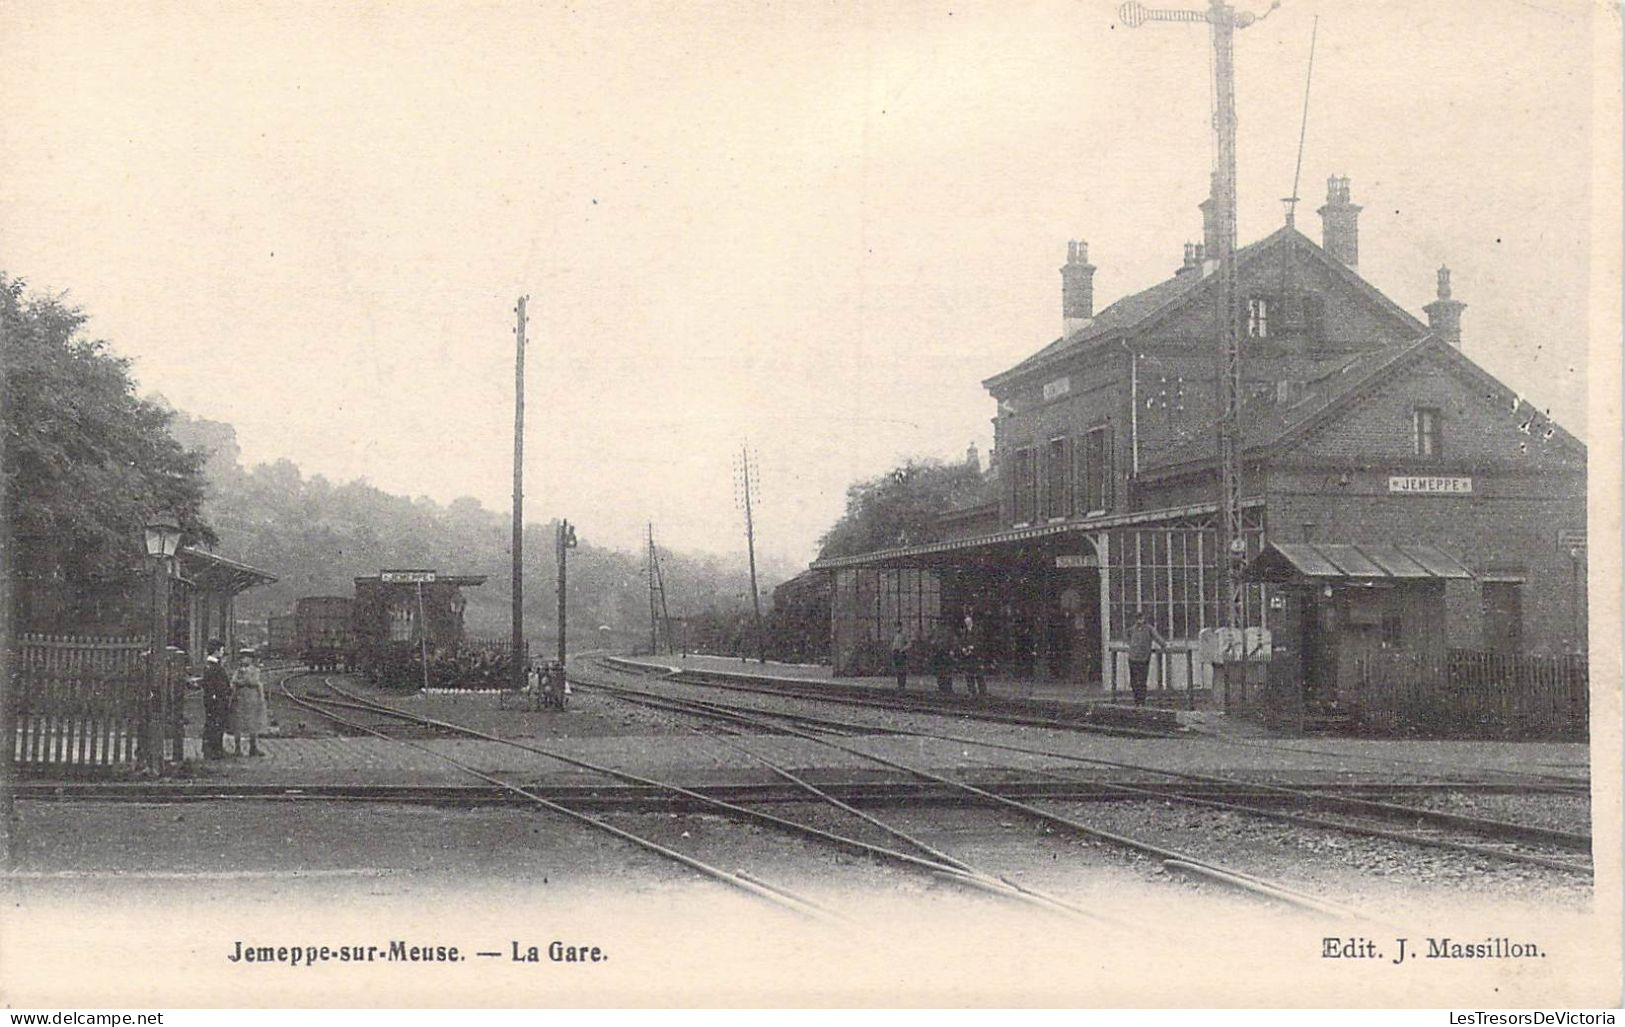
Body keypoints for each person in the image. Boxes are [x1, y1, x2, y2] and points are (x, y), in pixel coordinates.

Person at [226, 648, 269, 757]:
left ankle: (253, 747)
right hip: (239, 699)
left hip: (252, 699)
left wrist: (243, 680)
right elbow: (234, 681)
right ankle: (237, 748)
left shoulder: (255, 670)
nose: (243, 660)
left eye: (246, 658)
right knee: (237, 723)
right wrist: (240, 681)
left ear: (250, 659)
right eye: (242, 658)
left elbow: (253, 681)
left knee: (252, 722)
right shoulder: (238, 670)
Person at [1126, 610, 1168, 707]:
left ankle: (1142, 701)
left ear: (1144, 619)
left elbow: (1158, 638)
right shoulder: (1133, 629)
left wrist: (1164, 645)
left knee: (1142, 680)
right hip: (1132, 658)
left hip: (1143, 658)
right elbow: (1127, 636)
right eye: (1137, 618)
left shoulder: (1149, 629)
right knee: (1134, 681)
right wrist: (1130, 646)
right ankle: (1136, 701)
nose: (1139, 620)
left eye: (1141, 618)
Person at [200, 640, 230, 759]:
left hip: (215, 699)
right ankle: (213, 750)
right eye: (222, 650)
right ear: (216, 651)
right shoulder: (213, 667)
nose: (223, 653)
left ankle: (215, 748)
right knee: (215, 724)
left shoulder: (212, 665)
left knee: (215, 724)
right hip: (216, 700)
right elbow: (213, 685)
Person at [930, 623, 955, 695]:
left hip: (945, 653)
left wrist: (951, 650)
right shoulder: (936, 632)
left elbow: (952, 641)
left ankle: (948, 689)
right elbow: (933, 642)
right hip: (938, 654)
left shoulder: (947, 632)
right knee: (940, 672)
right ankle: (942, 688)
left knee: (946, 671)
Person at [890, 621, 909, 691]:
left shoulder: (904, 635)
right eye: (896, 627)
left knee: (902, 669)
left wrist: (903, 649)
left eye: (898, 626)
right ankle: (899, 684)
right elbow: (893, 644)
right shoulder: (895, 635)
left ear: (901, 627)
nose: (897, 628)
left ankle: (902, 685)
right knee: (897, 669)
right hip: (895, 653)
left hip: (901, 653)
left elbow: (909, 644)